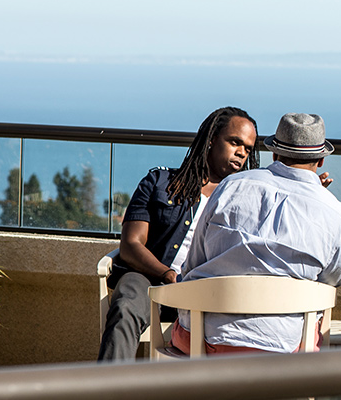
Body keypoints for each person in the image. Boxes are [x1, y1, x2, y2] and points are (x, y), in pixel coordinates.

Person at [173, 112, 341, 355]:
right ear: (321, 160)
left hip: (204, 341)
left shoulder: (232, 186)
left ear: (275, 153)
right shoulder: (338, 214)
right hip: (285, 349)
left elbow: (193, 264)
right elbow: (336, 278)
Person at [98, 107, 259, 362]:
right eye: (235, 142)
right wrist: (167, 274)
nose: (242, 152)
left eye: (248, 149)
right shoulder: (160, 182)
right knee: (126, 303)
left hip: (210, 293)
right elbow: (130, 245)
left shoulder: (249, 199)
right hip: (152, 282)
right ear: (211, 140)